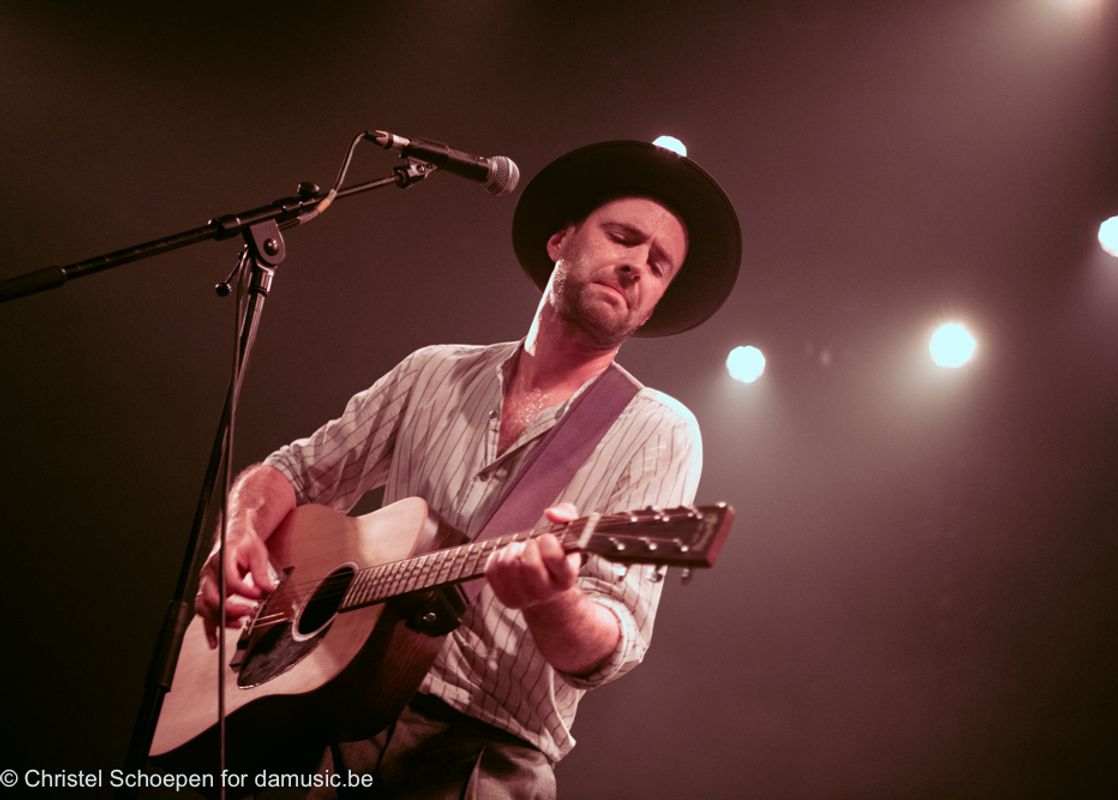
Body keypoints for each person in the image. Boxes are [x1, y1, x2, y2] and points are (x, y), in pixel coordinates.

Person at [194, 139, 741, 798]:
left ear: (654, 303)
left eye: (659, 266)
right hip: (315, 722)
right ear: (560, 241)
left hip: (478, 760)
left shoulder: (660, 429)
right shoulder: (433, 371)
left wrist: (554, 600)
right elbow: (298, 471)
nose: (635, 268)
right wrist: (240, 534)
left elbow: (609, 647)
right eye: (623, 238)